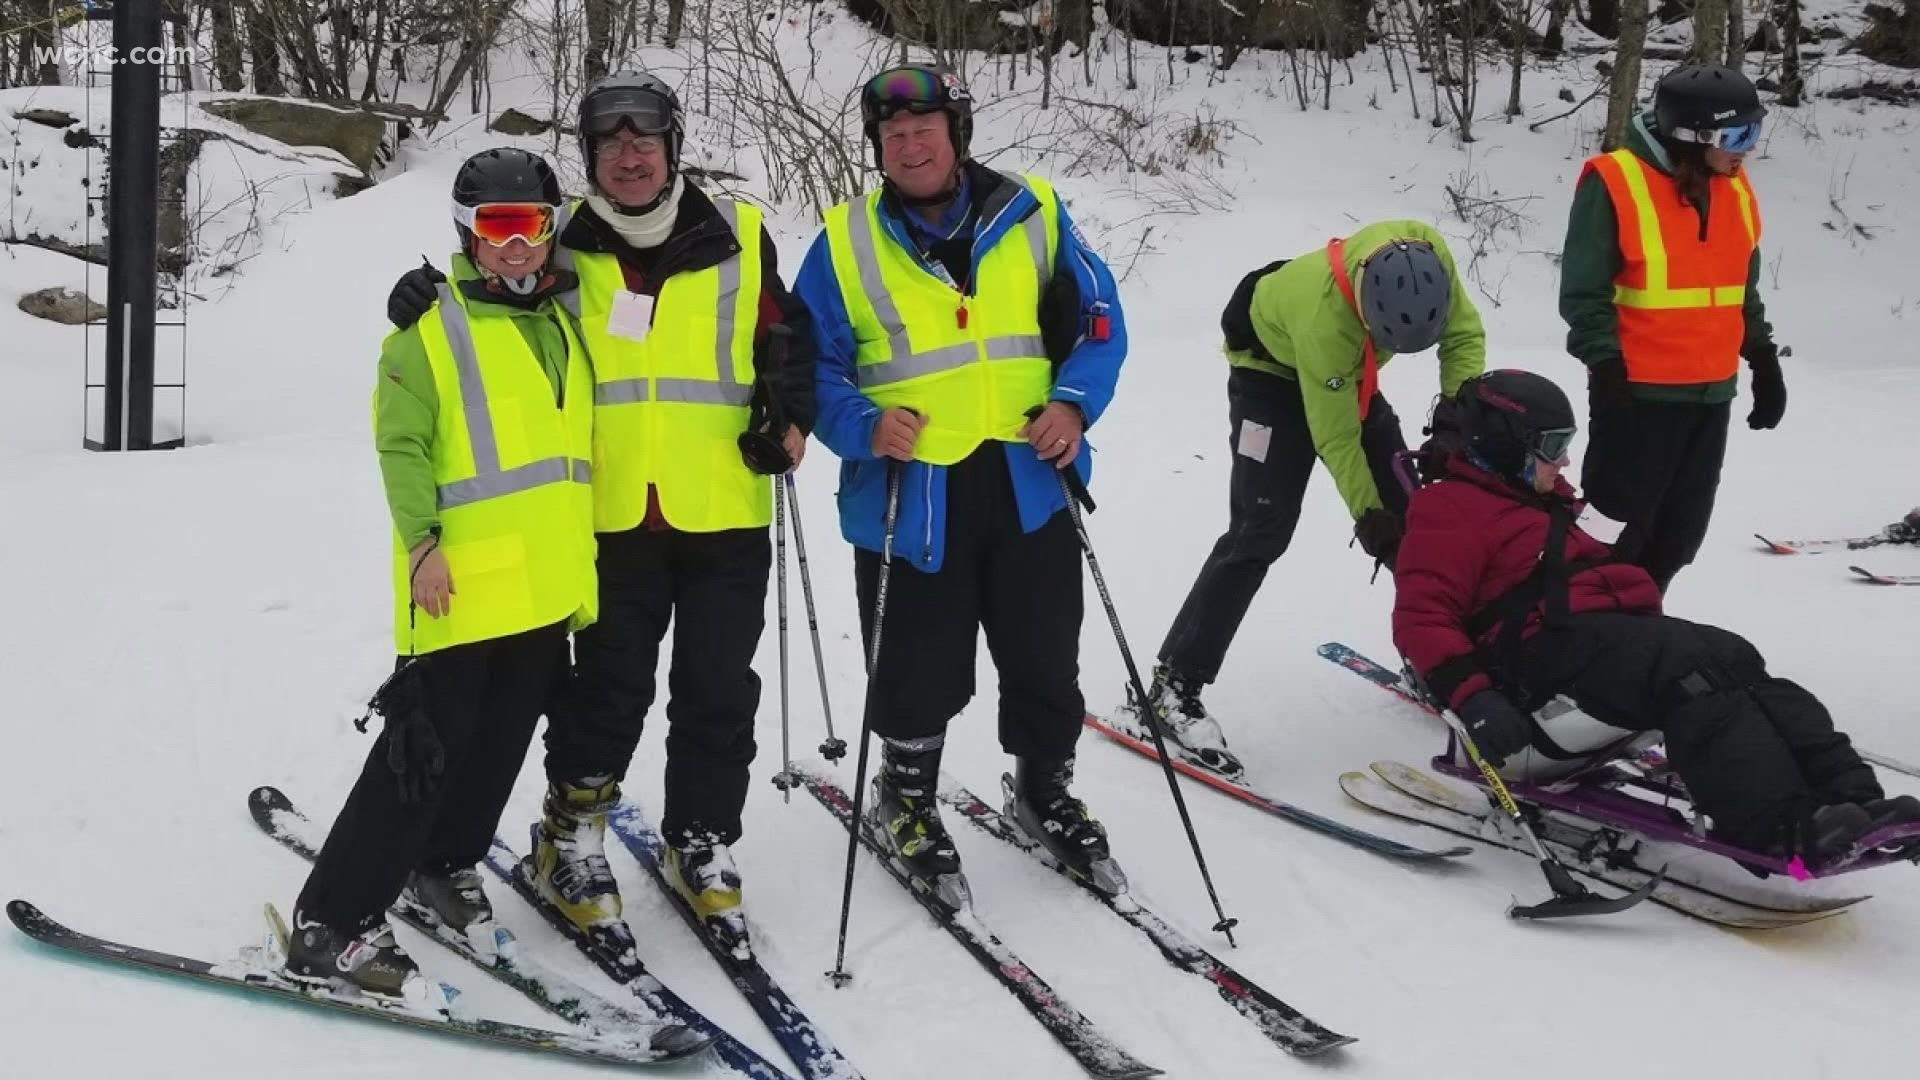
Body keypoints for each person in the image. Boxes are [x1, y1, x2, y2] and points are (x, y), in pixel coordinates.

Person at [385, 71, 815, 950]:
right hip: (608, 514)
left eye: (645, 139)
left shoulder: (740, 233)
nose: (629, 154)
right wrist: (417, 296)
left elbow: (788, 337)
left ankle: (702, 836)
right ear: (588, 157)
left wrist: (791, 413)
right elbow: (487, 291)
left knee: (718, 686)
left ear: (672, 148)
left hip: (722, 505)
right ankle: (570, 830)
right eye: (610, 142)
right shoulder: (562, 242)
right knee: (608, 688)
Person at [793, 63, 1127, 888]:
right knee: (917, 660)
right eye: (893, 135)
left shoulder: (1036, 212)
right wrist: (864, 426)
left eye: (924, 130)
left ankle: (1044, 791)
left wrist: (1074, 405)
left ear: (956, 134)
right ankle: (905, 796)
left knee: (1045, 654)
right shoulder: (844, 241)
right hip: (913, 493)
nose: (909, 146)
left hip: (1029, 479)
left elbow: (1099, 323)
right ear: (877, 148)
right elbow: (809, 366)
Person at [1391, 368, 1919, 870]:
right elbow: (1422, 614)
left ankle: (1853, 801)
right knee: (1682, 668)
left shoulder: (1546, 505)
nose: (1566, 461)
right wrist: (1474, 696)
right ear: (1506, 446)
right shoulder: (1449, 508)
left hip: (1587, 647)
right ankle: (1778, 828)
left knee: (1731, 654)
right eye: (1552, 447)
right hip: (1528, 679)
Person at [288, 148, 596, 997]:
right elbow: (401, 444)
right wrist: (422, 545)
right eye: (496, 227)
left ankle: (442, 865)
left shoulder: (565, 318)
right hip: (458, 585)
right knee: (421, 756)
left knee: (498, 748)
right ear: (466, 230)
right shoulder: (430, 326)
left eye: (530, 224)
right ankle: (333, 921)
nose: (515, 244)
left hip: (545, 589)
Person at [1117, 222, 1486, 779]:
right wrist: (1368, 514)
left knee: (1417, 521)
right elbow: (1335, 436)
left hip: (1348, 371)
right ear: (1366, 310)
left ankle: (1432, 655)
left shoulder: (1431, 255)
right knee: (1260, 530)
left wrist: (1457, 418)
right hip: (1269, 374)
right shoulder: (1326, 323)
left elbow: (1464, 338)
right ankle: (1172, 688)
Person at [1560, 62, 1786, 595]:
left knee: (1678, 538)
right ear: (1693, 136)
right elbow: (1583, 293)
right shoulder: (1616, 182)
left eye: (1754, 132)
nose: (1747, 149)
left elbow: (1739, 289)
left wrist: (1763, 359)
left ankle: (1637, 631)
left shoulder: (1734, 186)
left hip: (1710, 397)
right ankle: (1568, 627)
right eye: (1738, 135)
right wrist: (1607, 368)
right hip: (1638, 395)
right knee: (1611, 535)